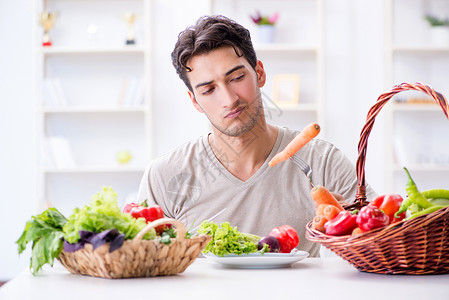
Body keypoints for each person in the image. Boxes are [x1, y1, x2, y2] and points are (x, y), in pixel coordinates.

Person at [136, 15, 376, 257]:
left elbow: (383, 242)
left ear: (259, 73)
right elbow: (142, 265)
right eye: (209, 90)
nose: (229, 100)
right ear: (195, 101)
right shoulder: (165, 176)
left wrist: (347, 226)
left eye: (237, 78)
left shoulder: (323, 162)